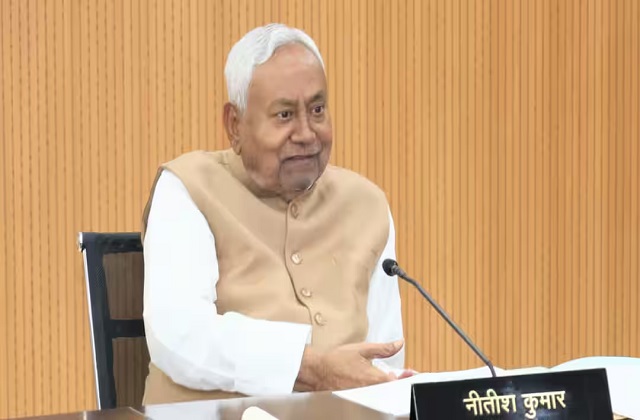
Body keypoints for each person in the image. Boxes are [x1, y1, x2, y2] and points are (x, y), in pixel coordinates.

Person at [140, 23, 411, 405]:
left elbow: (383, 358)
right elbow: (180, 337)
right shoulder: (188, 188)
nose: (306, 133)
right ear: (235, 125)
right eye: (284, 115)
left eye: (317, 110)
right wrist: (308, 368)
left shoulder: (366, 205)